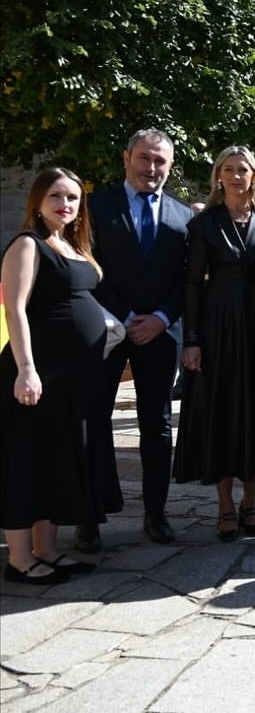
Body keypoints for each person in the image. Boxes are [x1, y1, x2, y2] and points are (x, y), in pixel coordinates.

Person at [84, 129, 192, 550]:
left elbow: (188, 280)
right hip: (107, 331)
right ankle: (89, 515)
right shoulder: (96, 208)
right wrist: (127, 316)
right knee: (95, 422)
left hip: (160, 336)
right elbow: (89, 268)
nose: (151, 168)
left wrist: (163, 318)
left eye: (160, 161)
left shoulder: (184, 217)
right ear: (127, 157)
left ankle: (155, 512)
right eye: (144, 158)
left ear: (170, 165)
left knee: (158, 426)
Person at [1, 169, 104, 583]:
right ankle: (20, 559)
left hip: (72, 378)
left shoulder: (72, 244)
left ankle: (47, 550)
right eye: (57, 196)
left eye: (74, 198)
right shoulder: (27, 244)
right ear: (38, 201)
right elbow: (16, 309)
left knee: (55, 460)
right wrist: (27, 369)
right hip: (38, 372)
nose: (66, 204)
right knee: (26, 460)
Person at [173, 146, 255, 541]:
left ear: (254, 175)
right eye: (228, 169)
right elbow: (193, 285)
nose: (235, 176)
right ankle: (225, 506)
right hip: (217, 328)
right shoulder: (205, 224)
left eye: (242, 169)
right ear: (218, 176)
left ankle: (253, 502)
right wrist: (192, 339)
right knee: (220, 412)